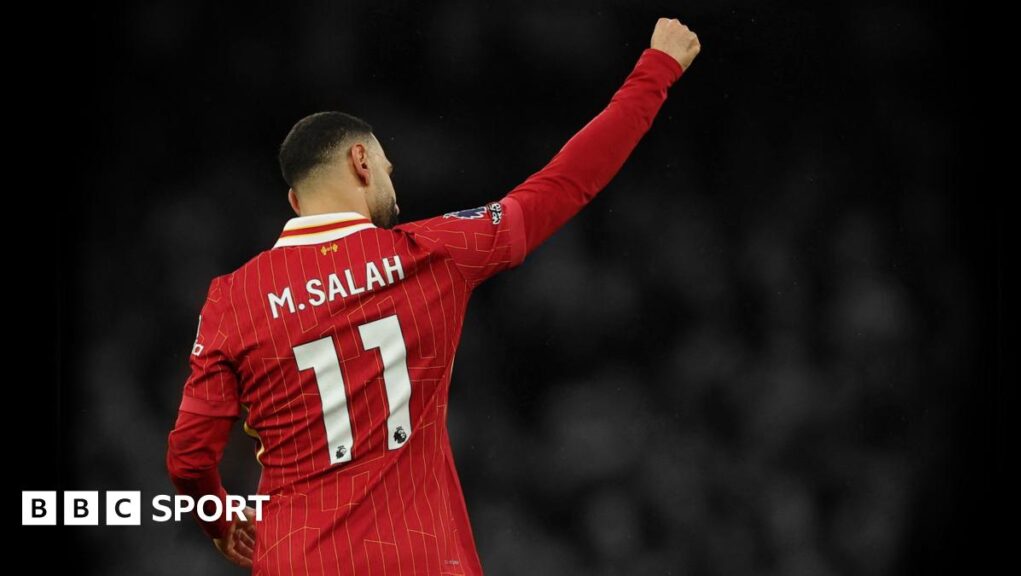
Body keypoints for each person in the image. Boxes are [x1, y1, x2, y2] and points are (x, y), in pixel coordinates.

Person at [166, 17, 700, 575]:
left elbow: (188, 457)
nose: (394, 189)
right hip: (421, 558)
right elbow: (565, 183)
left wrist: (223, 523)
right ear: (361, 162)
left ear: (297, 204)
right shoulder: (427, 254)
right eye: (388, 171)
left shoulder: (232, 299)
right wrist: (654, 72)